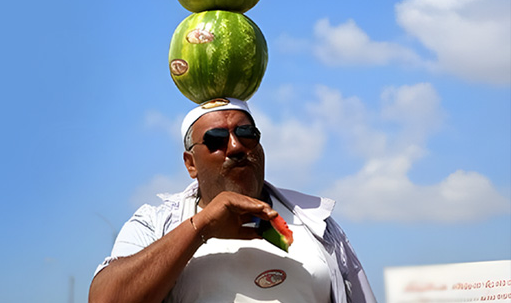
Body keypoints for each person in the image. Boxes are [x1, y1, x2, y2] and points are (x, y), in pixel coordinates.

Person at [89, 97, 376, 303]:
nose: (236, 147)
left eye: (246, 134)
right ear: (191, 164)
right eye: (215, 140)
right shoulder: (156, 224)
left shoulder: (317, 224)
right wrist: (201, 227)